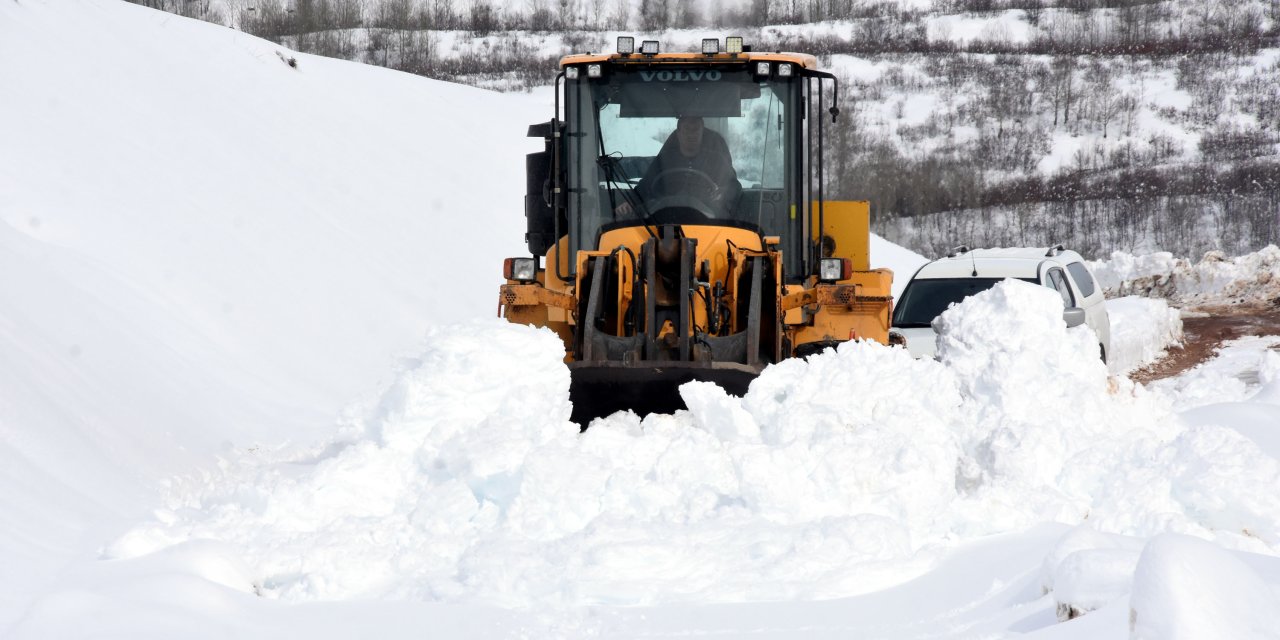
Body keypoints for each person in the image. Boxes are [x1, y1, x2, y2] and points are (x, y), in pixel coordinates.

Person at [615, 116, 741, 218]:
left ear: (702, 132)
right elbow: (645, 186)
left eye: (696, 129)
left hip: (707, 221)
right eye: (687, 129)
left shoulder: (716, 160)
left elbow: (734, 186)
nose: (691, 134)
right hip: (664, 221)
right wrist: (630, 202)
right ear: (678, 133)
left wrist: (723, 193)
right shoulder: (664, 160)